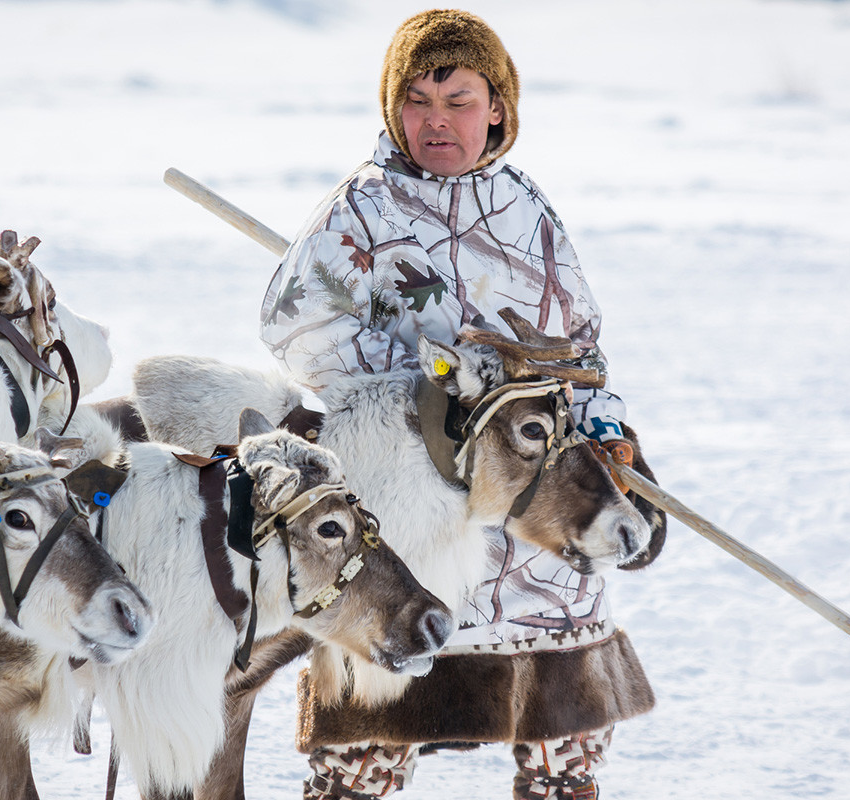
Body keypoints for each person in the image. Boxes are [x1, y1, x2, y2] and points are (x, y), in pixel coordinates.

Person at [260, 10, 660, 800]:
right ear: (392, 107)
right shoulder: (362, 210)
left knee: (563, 744)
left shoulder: (526, 211)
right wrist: (432, 389)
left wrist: (617, 444)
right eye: (417, 99)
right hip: (409, 507)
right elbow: (294, 325)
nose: (436, 121)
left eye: (460, 100)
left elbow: (578, 350)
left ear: (498, 108)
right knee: (366, 752)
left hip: (536, 506)